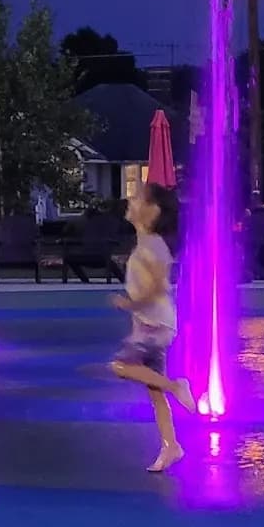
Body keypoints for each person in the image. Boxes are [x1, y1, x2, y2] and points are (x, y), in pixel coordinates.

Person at [109, 182, 196, 472]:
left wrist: (129, 305)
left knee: (120, 366)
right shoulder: (144, 243)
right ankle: (171, 446)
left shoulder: (154, 245)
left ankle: (177, 386)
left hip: (157, 326)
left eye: (137, 198)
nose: (130, 201)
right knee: (153, 388)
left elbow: (157, 288)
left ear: (152, 211)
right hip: (147, 325)